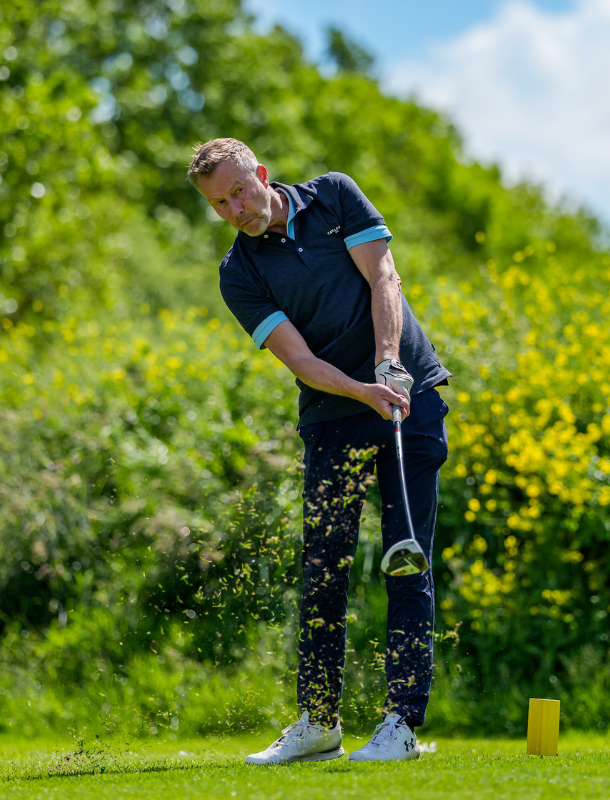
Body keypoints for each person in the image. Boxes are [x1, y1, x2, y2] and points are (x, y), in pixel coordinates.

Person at [187, 139, 452, 764]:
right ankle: (319, 721)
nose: (235, 210)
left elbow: (383, 277)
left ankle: (401, 724)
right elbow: (301, 361)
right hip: (335, 415)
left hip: (408, 399)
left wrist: (387, 365)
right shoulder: (238, 273)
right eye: (220, 204)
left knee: (405, 558)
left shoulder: (333, 194)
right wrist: (361, 390)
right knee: (324, 569)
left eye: (240, 192)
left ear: (261, 174)